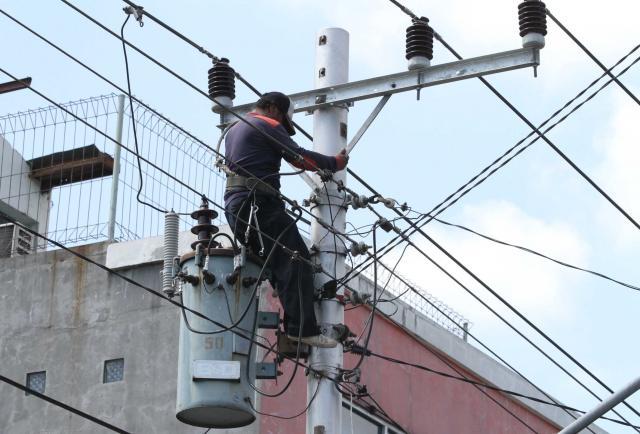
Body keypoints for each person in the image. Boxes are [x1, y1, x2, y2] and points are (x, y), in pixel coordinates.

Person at [223, 92, 348, 348]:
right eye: (281, 117)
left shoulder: (234, 129)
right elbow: (300, 157)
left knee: (279, 261)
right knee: (296, 259)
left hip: (237, 208)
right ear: (271, 107)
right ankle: (301, 330)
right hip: (259, 206)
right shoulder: (265, 124)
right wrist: (335, 163)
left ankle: (294, 308)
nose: (281, 125)